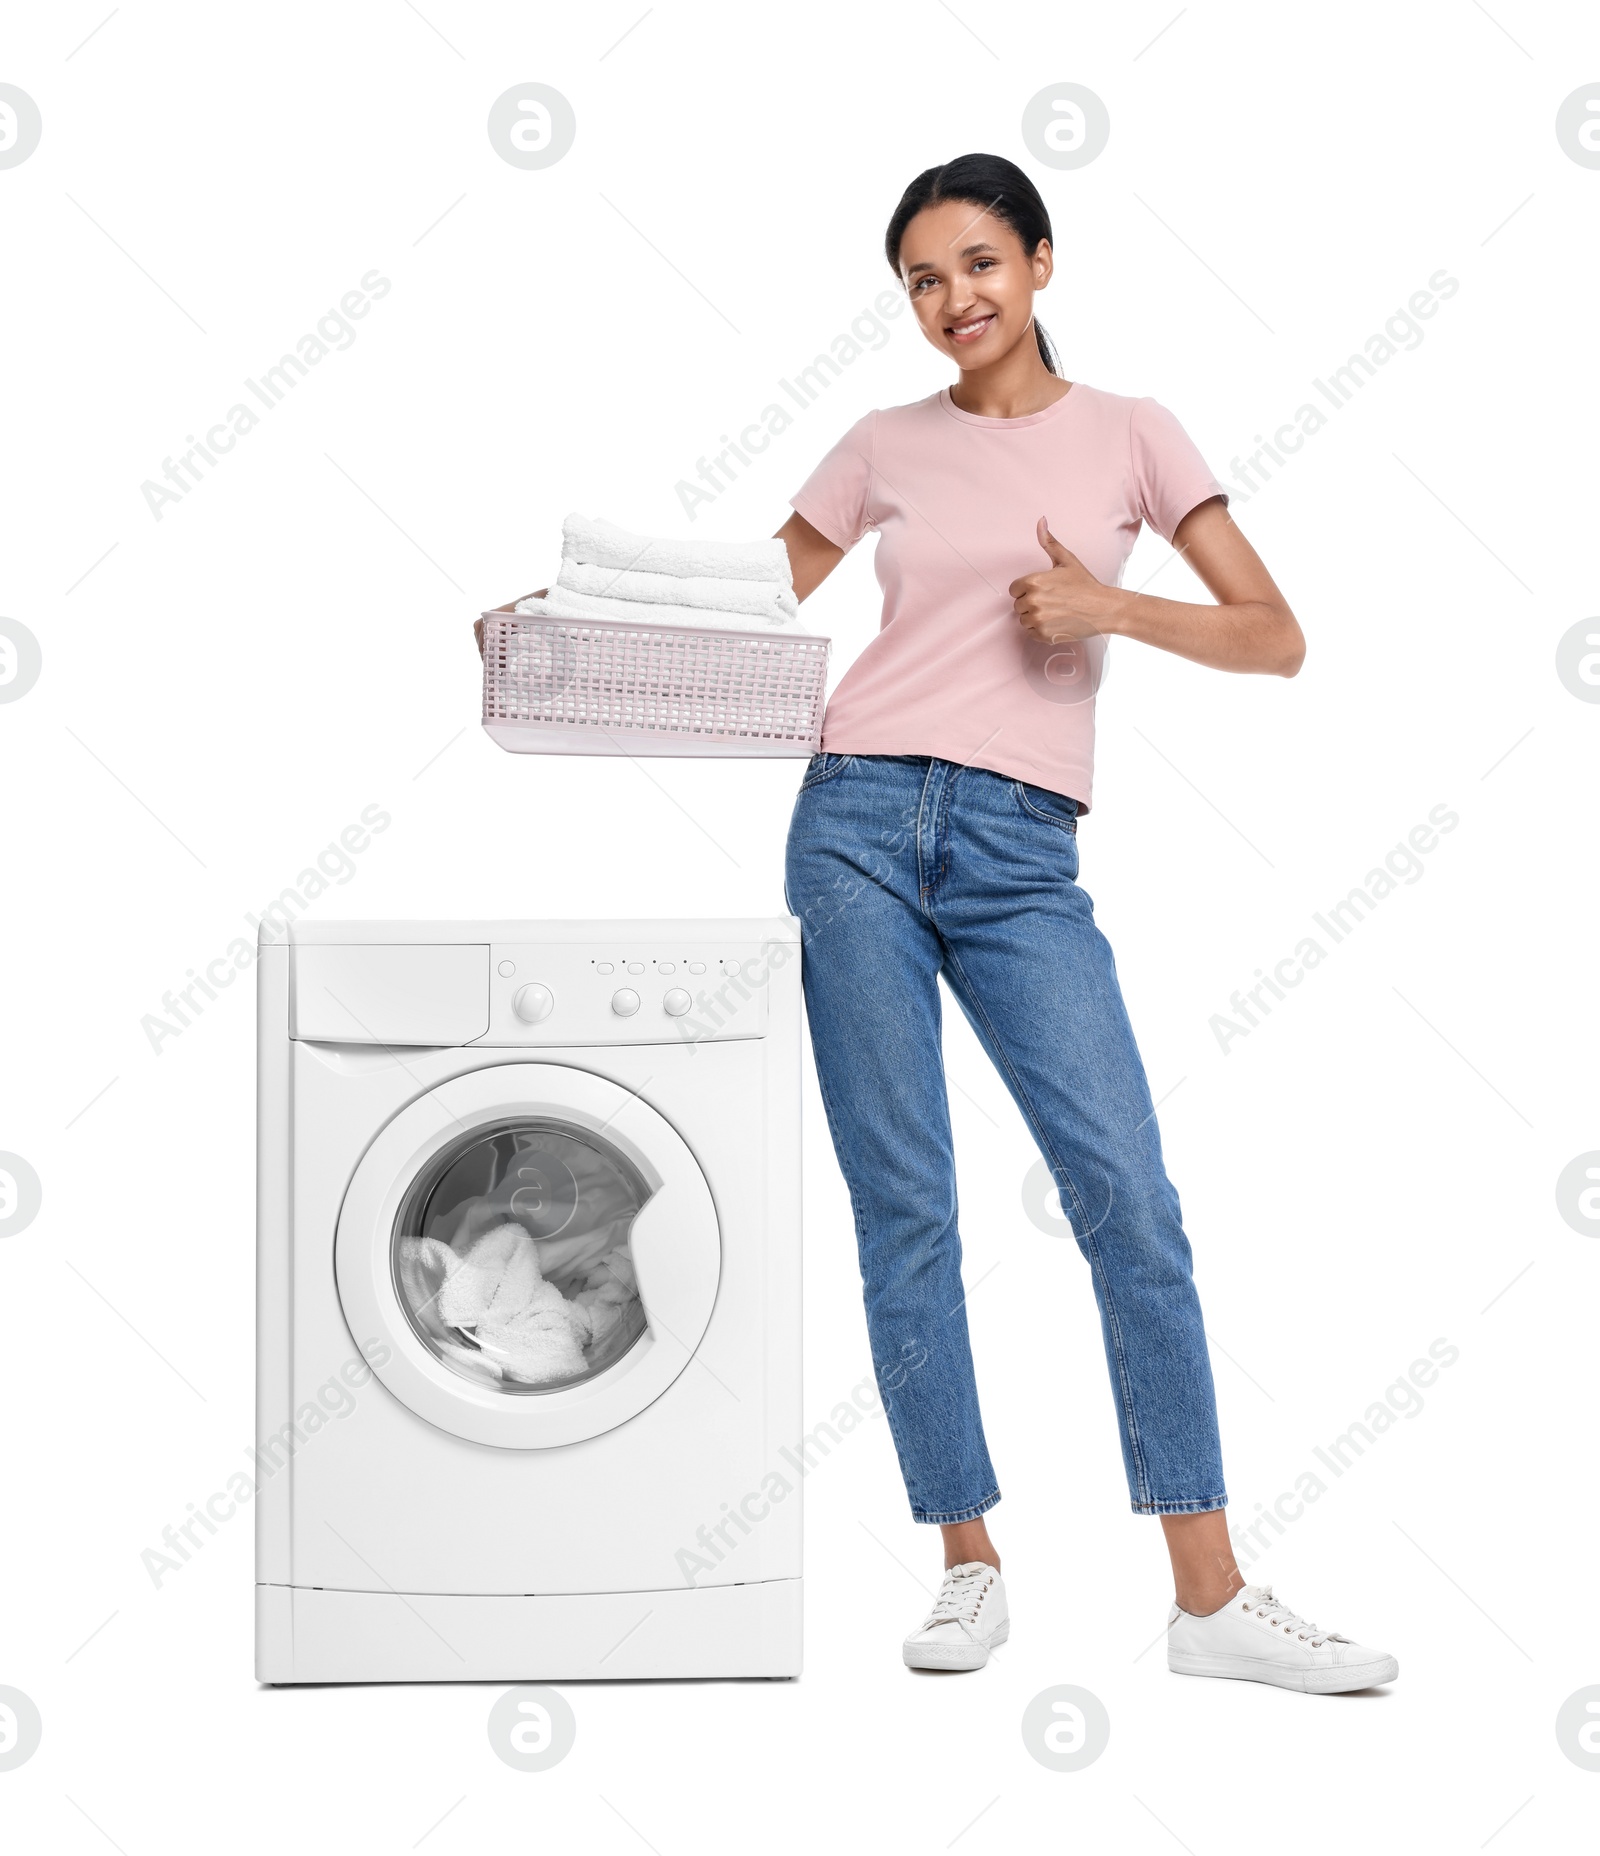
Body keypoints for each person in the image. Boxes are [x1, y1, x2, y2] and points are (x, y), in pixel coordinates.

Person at [776, 152, 1397, 1692]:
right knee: (903, 1203)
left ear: (1041, 264)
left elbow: (1278, 635)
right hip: (852, 820)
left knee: (1127, 1194)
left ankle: (1209, 1600)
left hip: (1016, 849)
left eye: (978, 264)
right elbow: (742, 605)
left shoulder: (1133, 434)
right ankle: (965, 1558)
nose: (953, 301)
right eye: (923, 280)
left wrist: (1111, 608)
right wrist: (572, 623)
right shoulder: (880, 443)